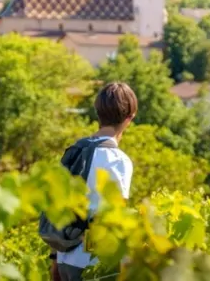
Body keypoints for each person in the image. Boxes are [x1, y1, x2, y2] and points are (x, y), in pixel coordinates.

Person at [53, 82, 137, 281]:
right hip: (92, 263)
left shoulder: (76, 150)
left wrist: (54, 262)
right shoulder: (118, 160)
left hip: (65, 257)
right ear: (129, 118)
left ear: (98, 113)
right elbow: (114, 217)